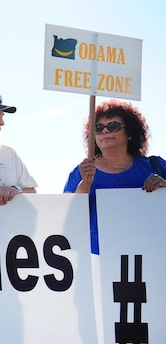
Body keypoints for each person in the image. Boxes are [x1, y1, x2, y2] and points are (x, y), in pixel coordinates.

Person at [64, 99, 166, 254]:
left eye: (113, 126)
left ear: (130, 132)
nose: (105, 131)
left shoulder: (155, 166)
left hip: (149, 259)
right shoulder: (81, 172)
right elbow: (67, 217)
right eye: (98, 128)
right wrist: (85, 183)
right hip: (97, 260)